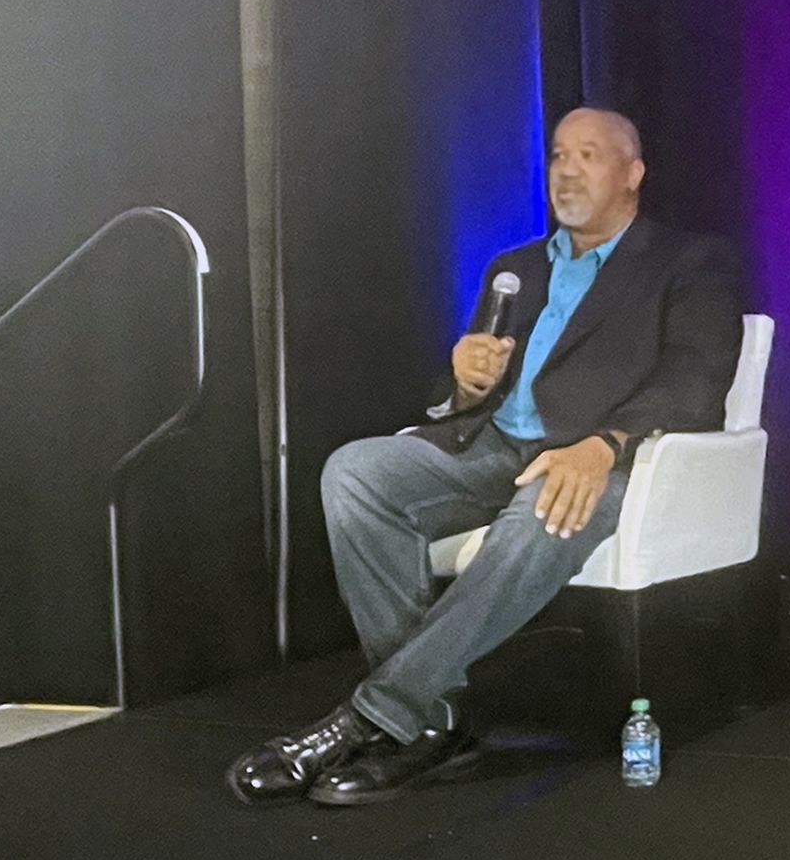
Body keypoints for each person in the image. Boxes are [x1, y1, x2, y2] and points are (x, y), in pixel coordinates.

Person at [229, 107, 744, 807]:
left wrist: (603, 445)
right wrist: (463, 381)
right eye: (559, 155)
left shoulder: (686, 263)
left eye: (588, 156)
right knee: (354, 472)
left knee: (545, 507)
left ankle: (374, 719)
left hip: (608, 458)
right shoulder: (516, 268)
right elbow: (463, 392)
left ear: (633, 173)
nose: (566, 170)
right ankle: (432, 722)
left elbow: (695, 378)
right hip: (492, 444)